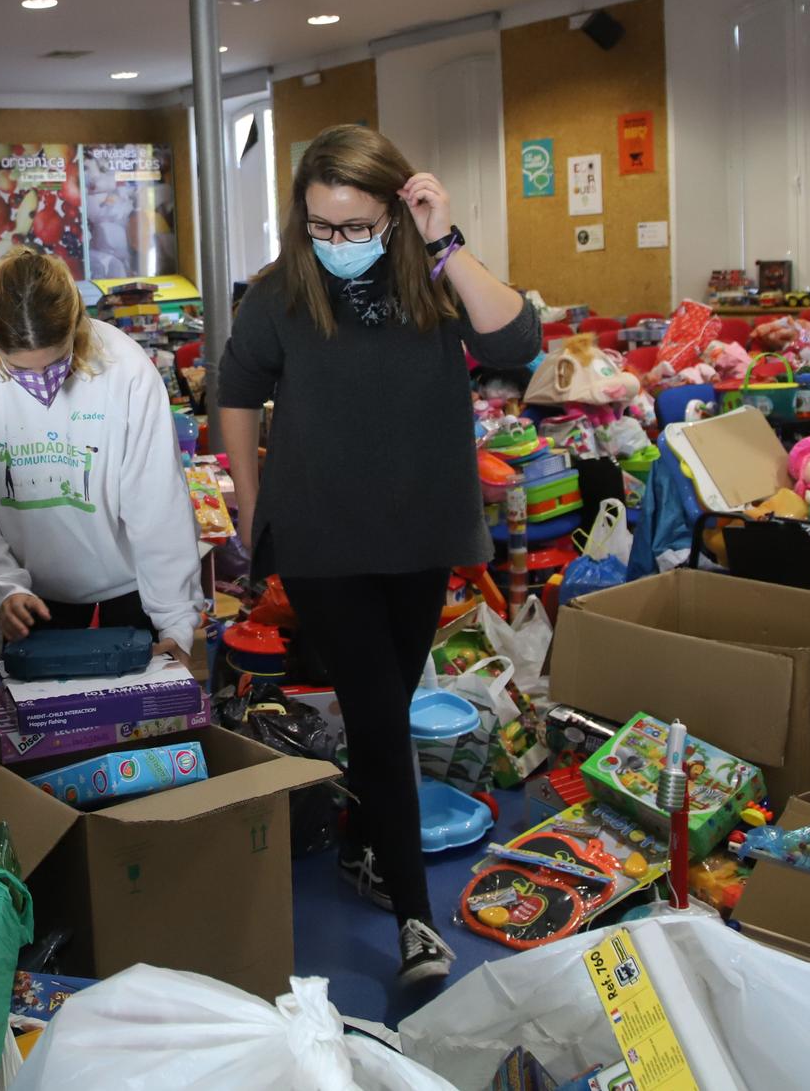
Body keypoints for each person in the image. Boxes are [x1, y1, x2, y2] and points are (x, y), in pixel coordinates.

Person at [217, 124, 539, 986]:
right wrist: (252, 507)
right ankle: (416, 923)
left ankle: (363, 844)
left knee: (384, 701)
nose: (340, 245)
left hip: (421, 531)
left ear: (397, 211)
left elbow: (515, 345)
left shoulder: (433, 279)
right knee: (379, 714)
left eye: (358, 226)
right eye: (323, 227)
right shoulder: (281, 294)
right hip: (323, 537)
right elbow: (236, 393)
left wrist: (444, 241)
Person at [0, 248, 202, 663]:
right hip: (31, 595)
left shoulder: (125, 368)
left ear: (75, 328)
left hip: (134, 589)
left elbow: (157, 504)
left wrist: (176, 621)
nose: (40, 381)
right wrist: (3, 583)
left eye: (54, 362)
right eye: (20, 370)